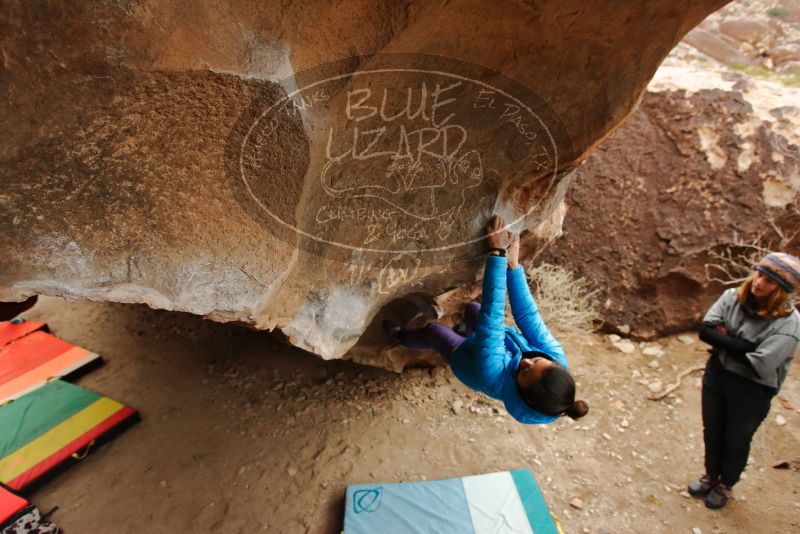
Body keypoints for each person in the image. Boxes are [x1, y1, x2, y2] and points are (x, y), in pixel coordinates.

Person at [384, 216, 588, 424]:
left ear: (522, 392)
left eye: (525, 370)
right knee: (473, 310)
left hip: (467, 362)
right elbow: (528, 316)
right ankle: (465, 331)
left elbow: (493, 321)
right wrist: (513, 265)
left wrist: (498, 255)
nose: (527, 361)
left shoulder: (494, 377)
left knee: (435, 334)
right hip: (496, 343)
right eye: (536, 361)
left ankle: (401, 336)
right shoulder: (555, 360)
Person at [688, 252, 800, 509]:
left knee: (737, 438)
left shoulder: (789, 325)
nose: (760, 282)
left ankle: (726, 484)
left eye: (769, 281)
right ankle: (710, 476)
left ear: (780, 291)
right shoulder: (732, 297)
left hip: (753, 389)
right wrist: (746, 345)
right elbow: (706, 331)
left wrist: (725, 340)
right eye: (760, 274)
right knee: (712, 429)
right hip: (718, 374)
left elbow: (760, 364)